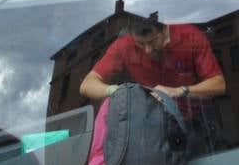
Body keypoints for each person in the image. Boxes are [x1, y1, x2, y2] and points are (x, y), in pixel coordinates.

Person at [80, 14, 225, 112]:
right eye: (140, 44)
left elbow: (218, 85)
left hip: (197, 117)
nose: (147, 50)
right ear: (132, 35)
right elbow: (87, 85)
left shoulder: (190, 36)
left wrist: (178, 91)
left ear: (165, 29)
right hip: (152, 122)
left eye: (153, 40)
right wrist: (117, 91)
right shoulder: (124, 45)